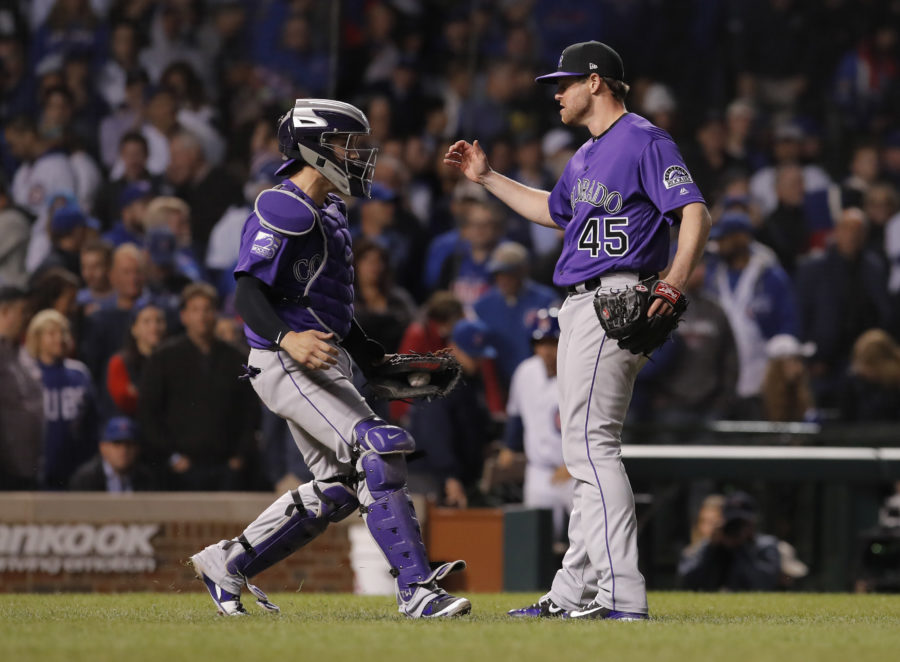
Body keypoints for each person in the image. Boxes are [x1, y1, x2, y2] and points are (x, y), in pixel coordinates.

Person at [445, 41, 711, 620]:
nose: (556, 93)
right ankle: (571, 593)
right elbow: (554, 211)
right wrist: (488, 177)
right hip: (584, 304)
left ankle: (622, 595)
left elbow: (694, 212)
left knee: (592, 451)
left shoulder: (644, 138)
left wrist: (672, 282)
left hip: (615, 296)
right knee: (586, 451)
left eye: (563, 83)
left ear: (597, 82)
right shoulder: (587, 155)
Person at [188, 99, 470, 619]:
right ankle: (417, 591)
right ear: (316, 147)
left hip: (321, 357)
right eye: (348, 144)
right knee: (379, 450)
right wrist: (285, 340)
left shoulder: (330, 211)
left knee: (339, 489)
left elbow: (331, 308)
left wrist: (373, 359)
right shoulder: (282, 205)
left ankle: (227, 563)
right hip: (287, 360)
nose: (358, 155)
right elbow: (247, 292)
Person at [138, 283, 258, 491]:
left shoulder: (237, 358)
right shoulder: (163, 358)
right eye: (195, 310)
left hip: (227, 468)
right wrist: (171, 457)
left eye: (207, 309)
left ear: (216, 314)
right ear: (184, 316)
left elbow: (250, 412)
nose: (201, 316)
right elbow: (148, 412)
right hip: (178, 470)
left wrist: (239, 457)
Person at [499, 308, 573, 542]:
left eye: (553, 342)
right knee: (536, 541)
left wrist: (573, 464)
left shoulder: (577, 372)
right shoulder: (525, 372)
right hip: (538, 470)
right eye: (541, 343)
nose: (547, 350)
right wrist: (509, 446)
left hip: (574, 472)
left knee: (584, 539)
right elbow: (516, 414)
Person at [24, 308, 98, 490]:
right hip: (38, 467)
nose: (60, 338)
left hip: (76, 466)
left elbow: (92, 420)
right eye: (52, 333)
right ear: (37, 338)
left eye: (63, 332)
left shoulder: (79, 372)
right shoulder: (27, 373)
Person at [678, 491, 781, 592]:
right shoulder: (712, 545)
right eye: (732, 522)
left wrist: (741, 549)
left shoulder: (766, 545)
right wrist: (711, 548)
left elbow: (764, 584)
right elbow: (687, 582)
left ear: (753, 522)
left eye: (742, 523)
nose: (736, 528)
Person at [0, 286, 43, 490]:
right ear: (4, 312)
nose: (27, 317)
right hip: (5, 468)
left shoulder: (22, 352)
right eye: (22, 311)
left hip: (28, 463)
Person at [106, 301, 166, 417]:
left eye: (159, 321)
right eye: (146, 321)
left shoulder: (172, 359)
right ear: (134, 329)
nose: (154, 327)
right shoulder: (119, 362)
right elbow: (125, 400)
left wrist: (138, 393)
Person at [69, 416, 161, 492]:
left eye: (129, 444)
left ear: (138, 448)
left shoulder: (148, 479)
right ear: (103, 447)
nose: (123, 450)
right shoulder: (84, 480)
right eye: (117, 443)